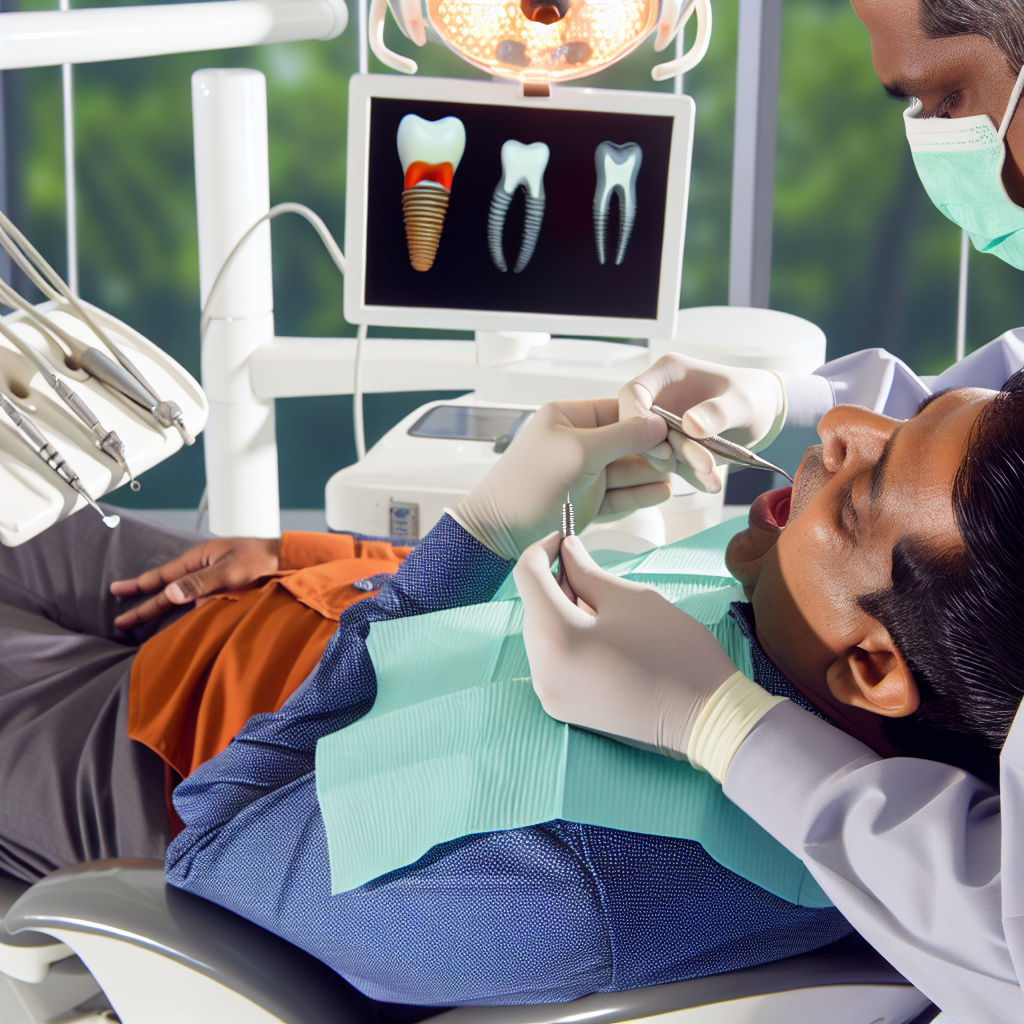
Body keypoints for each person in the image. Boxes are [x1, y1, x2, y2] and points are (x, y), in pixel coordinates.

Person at [516, 1, 1024, 1018]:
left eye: (945, 96)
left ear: (872, 667)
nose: (841, 419)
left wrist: (725, 723)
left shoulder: (576, 884)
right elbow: (986, 434)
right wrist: (774, 397)